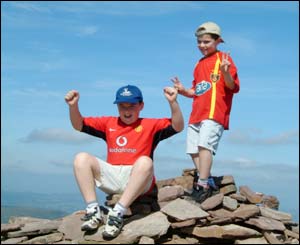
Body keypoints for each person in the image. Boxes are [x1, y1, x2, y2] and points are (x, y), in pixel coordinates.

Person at [64, 84, 184, 239]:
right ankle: (93, 211)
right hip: (113, 175)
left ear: (141, 106)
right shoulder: (109, 123)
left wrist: (173, 102)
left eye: (132, 106)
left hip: (138, 179)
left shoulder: (150, 125)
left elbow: (178, 126)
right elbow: (78, 125)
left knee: (145, 161)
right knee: (81, 158)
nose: (127, 111)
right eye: (122, 106)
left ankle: (117, 214)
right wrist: (73, 106)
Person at [172, 21, 240, 203]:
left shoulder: (224, 59)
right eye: (200, 42)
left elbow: (232, 86)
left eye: (207, 42)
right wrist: (183, 90)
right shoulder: (199, 63)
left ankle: (202, 184)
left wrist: (225, 72)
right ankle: (208, 180)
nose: (202, 45)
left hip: (214, 112)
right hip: (197, 113)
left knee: (204, 146)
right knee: (192, 150)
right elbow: (196, 91)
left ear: (218, 41)